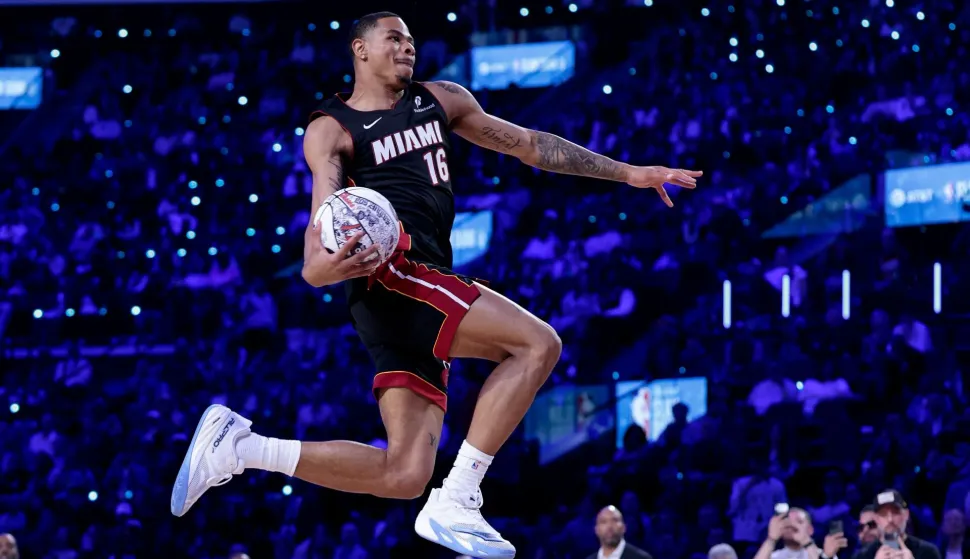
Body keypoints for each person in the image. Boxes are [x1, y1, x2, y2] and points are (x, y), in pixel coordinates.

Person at [170, 11, 701, 558]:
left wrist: (630, 173)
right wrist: (325, 269)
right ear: (360, 49)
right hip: (396, 276)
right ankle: (461, 494)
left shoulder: (441, 99)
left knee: (404, 474)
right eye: (393, 39)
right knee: (538, 344)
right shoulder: (331, 129)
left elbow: (530, 145)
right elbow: (312, 258)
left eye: (411, 41)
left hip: (405, 294)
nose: (407, 48)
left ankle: (241, 447)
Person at [855, 490, 941, 559]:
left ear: (906, 515)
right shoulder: (863, 556)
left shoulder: (927, 552)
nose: (890, 519)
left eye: (895, 513)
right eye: (883, 514)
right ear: (876, 519)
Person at [753, 507, 847, 559]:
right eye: (787, 522)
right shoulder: (774, 556)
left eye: (798, 522)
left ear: (810, 529)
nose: (791, 525)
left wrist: (807, 542)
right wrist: (771, 539)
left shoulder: (825, 555)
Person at [586, 506, 653, 559]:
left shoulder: (641, 558)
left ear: (624, 527)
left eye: (615, 520)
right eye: (604, 522)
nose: (609, 526)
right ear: (596, 530)